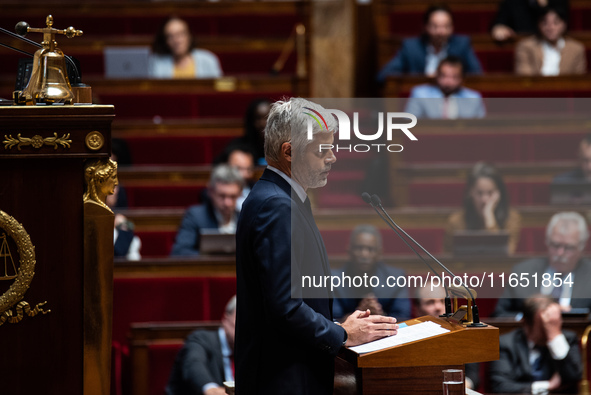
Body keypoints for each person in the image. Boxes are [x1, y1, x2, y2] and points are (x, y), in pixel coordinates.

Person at [235, 98, 399, 395]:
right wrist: (342, 334)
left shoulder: (283, 197)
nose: (333, 157)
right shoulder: (276, 205)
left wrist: (338, 324)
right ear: (289, 152)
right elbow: (284, 307)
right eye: (322, 150)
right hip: (284, 380)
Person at [493, 211, 591, 317]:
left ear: (582, 248)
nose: (560, 253)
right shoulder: (522, 271)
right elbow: (499, 314)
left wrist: (574, 317)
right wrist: (531, 319)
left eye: (568, 247)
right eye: (555, 245)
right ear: (547, 242)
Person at [489, 295, 582, 393]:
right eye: (544, 326)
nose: (548, 331)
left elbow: (573, 378)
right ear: (525, 323)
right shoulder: (506, 343)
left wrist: (554, 336)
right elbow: (500, 386)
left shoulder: (567, 339)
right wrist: (547, 386)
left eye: (553, 323)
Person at [377, 4, 482, 82]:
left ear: (452, 27)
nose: (441, 32)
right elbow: (383, 76)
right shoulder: (410, 47)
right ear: (425, 27)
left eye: (446, 26)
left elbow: (478, 75)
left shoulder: (462, 45)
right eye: (435, 27)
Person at [332, 225, 411, 321]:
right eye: (359, 248)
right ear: (349, 251)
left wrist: (380, 315)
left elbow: (403, 317)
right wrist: (359, 314)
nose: (364, 254)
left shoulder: (396, 278)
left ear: (379, 253)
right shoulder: (333, 280)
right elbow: (332, 320)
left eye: (370, 249)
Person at [444, 162, 522, 254]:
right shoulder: (455, 222)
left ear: (499, 194)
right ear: (470, 193)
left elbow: (505, 254)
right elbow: (447, 260)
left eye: (490, 193)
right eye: (479, 193)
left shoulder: (512, 219)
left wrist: (489, 217)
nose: (484, 199)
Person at [412, 285, 480, 390]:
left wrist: (459, 386)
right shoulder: (410, 340)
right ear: (417, 309)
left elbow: (473, 376)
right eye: (430, 302)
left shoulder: (464, 336)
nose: (438, 307)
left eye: (443, 302)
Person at [166, 296, 237, 395]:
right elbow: (193, 363)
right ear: (225, 319)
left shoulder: (254, 351)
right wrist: (211, 389)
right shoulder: (200, 340)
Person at [170, 164, 243, 256]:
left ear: (240, 193)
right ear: (211, 191)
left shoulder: (245, 218)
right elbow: (179, 253)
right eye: (222, 196)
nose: (227, 203)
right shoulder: (195, 216)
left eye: (233, 196)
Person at [404, 56, 486, 119]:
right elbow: (408, 125)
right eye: (444, 76)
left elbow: (481, 129)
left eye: (454, 77)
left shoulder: (474, 98)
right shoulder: (420, 94)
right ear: (436, 75)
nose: (448, 82)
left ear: (462, 79)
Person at [515, 6, 585, 76]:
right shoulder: (526, 47)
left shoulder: (576, 48)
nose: (550, 27)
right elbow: (525, 78)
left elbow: (578, 80)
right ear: (539, 25)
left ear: (564, 24)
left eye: (556, 23)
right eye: (545, 23)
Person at [150, 16, 222, 79]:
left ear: (189, 36)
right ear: (165, 41)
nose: (176, 40)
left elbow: (219, 89)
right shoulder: (157, 62)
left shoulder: (208, 60)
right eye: (170, 36)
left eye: (180, 34)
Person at [490, 0, 569, 42]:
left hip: (555, 45)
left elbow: (560, 21)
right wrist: (499, 27)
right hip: (525, 45)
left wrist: (543, 5)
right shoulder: (512, 2)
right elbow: (499, 24)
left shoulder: (559, 1)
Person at [226, 98, 271, 166]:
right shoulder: (237, 147)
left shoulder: (283, 148)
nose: (263, 123)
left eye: (267, 118)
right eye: (258, 118)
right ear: (251, 121)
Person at [213, 144, 257, 212]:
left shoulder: (258, 190)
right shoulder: (214, 192)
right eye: (238, 168)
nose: (244, 174)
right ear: (226, 166)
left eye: (248, 169)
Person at [106, 186, 142, 261]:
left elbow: (133, 261)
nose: (116, 191)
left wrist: (123, 230)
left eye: (116, 186)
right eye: (112, 186)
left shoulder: (122, 222)